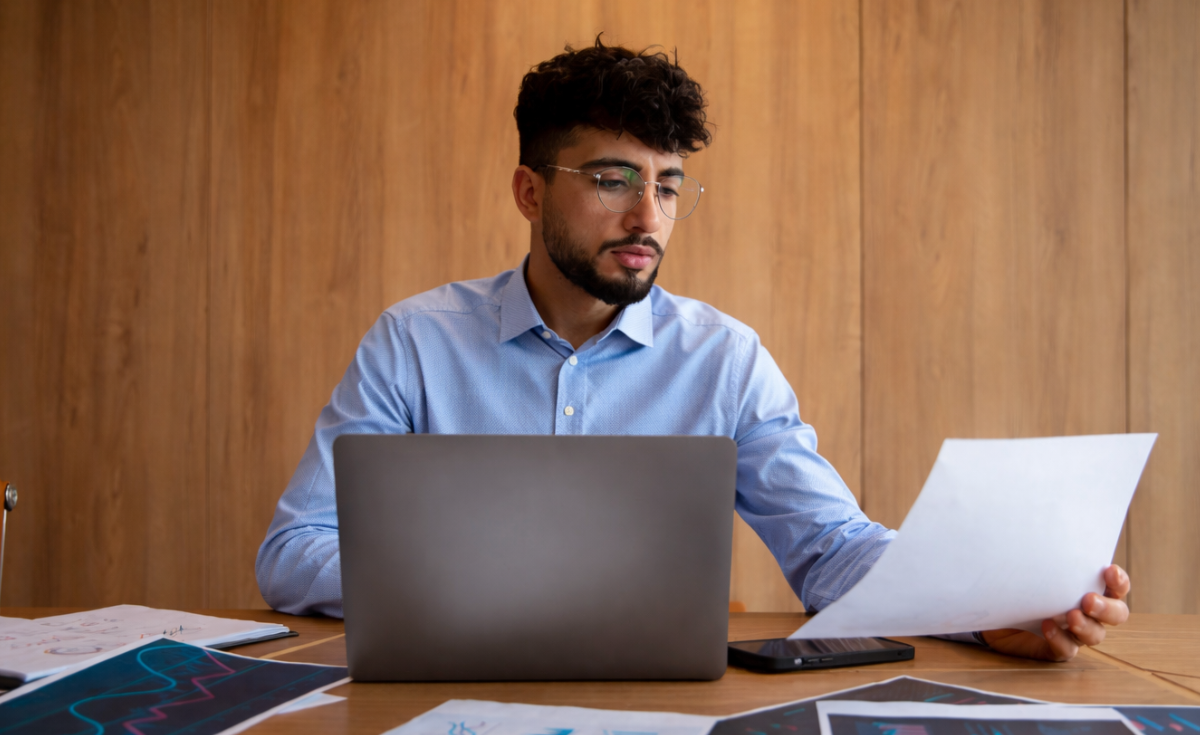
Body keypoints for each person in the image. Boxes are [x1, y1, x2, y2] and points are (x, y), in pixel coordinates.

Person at [256, 38, 1130, 662]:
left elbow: (830, 547)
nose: (648, 221)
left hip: (664, 711)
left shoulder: (725, 359)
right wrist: (489, 579)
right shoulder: (414, 342)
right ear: (529, 190)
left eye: (668, 187)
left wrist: (987, 612)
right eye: (612, 180)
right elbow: (295, 550)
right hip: (432, 706)